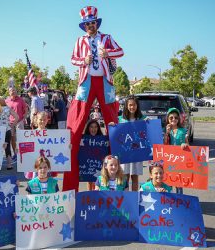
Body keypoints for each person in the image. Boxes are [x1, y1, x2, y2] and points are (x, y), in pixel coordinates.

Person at [64, 6, 124, 192]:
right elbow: (73, 59)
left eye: (92, 23)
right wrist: (84, 61)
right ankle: (69, 190)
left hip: (105, 82)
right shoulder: (80, 40)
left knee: (112, 123)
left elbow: (120, 51)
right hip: (86, 82)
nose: (90, 26)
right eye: (87, 24)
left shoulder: (106, 38)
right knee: (76, 125)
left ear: (96, 23)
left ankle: (116, 182)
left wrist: (108, 54)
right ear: (84, 26)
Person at [111, 95, 146, 191]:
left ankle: (134, 199)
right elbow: (115, 135)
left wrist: (149, 123)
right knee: (124, 177)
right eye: (130, 105)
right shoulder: (119, 119)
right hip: (124, 153)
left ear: (137, 106)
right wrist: (112, 126)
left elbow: (148, 133)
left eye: (134, 105)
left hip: (137, 152)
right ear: (126, 106)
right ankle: (126, 199)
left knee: (135, 177)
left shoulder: (142, 119)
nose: (132, 107)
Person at [164, 107, 189, 194]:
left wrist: (185, 145)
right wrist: (166, 133)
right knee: (168, 183)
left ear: (179, 119)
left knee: (179, 183)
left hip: (179, 161)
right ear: (168, 119)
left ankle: (179, 200)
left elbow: (188, 144)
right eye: (171, 117)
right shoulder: (165, 131)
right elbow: (162, 145)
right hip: (168, 160)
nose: (173, 119)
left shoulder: (183, 131)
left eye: (176, 117)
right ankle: (169, 201)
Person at [6, 87, 28, 162]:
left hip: (19, 122)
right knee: (13, 139)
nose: (13, 92)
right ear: (9, 92)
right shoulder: (7, 100)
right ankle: (15, 154)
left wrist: (24, 117)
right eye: (11, 90)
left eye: (14, 90)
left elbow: (26, 109)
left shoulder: (21, 100)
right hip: (10, 123)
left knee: (21, 138)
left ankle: (22, 154)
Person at [83, 119, 104, 190]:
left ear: (98, 128)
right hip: (88, 163)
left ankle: (96, 195)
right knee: (89, 180)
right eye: (91, 127)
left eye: (95, 127)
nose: (93, 129)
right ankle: (89, 193)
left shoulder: (102, 139)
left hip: (98, 163)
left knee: (97, 181)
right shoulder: (83, 139)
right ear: (88, 128)